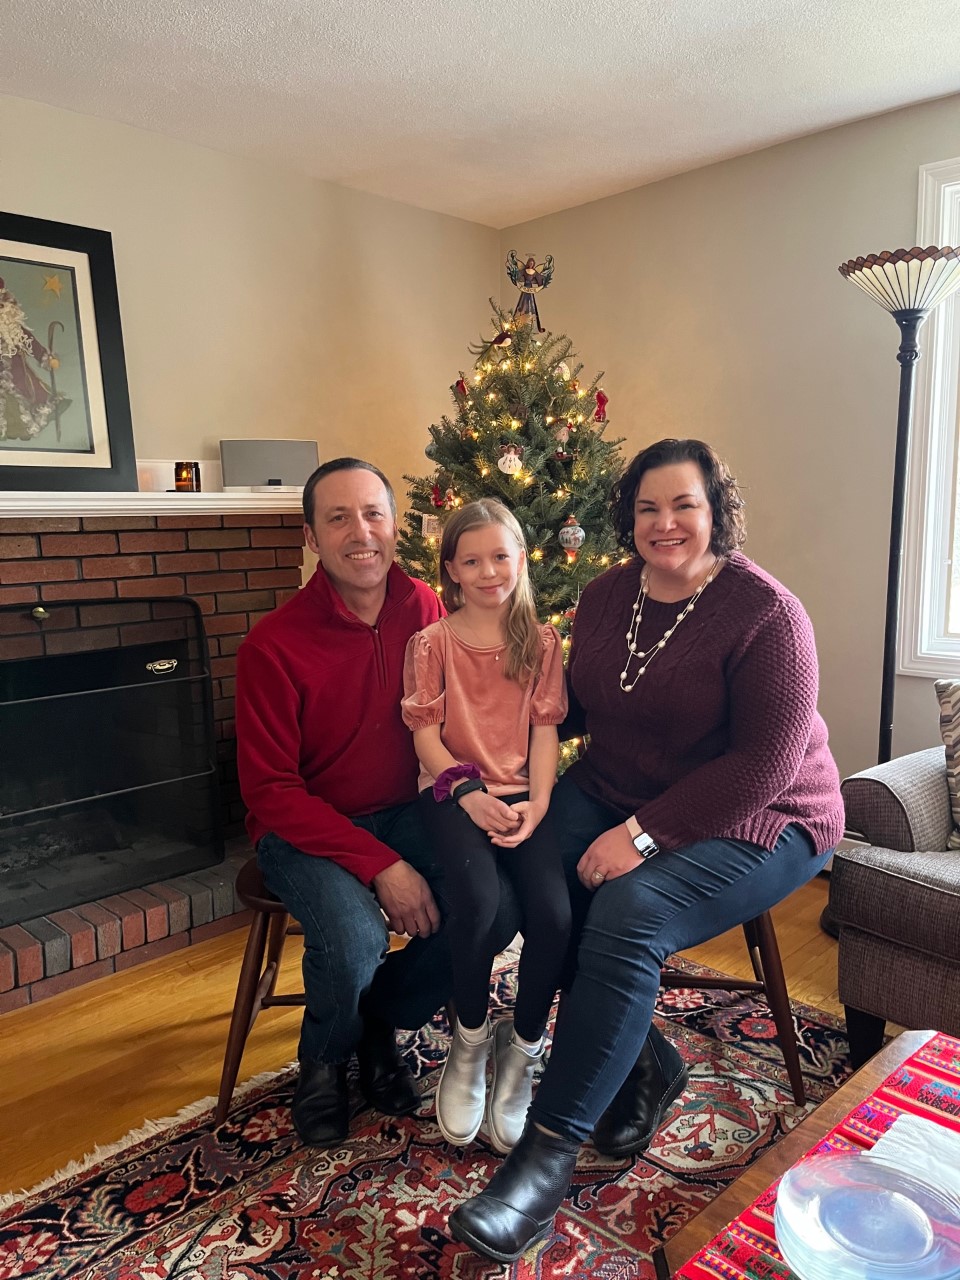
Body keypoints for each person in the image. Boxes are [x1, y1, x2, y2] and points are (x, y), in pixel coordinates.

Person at [448, 438, 845, 1263]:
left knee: (629, 910)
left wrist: (641, 836)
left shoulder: (768, 614)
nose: (665, 523)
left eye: (684, 505)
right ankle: (640, 1060)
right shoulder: (607, 595)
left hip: (765, 814)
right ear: (627, 517)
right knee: (533, 875)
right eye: (647, 508)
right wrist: (484, 743)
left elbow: (764, 764)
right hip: (619, 784)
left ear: (716, 511)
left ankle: (540, 1167)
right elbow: (575, 707)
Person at [236, 457, 518, 1148]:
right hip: (305, 827)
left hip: (412, 809)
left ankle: (379, 1024)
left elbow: (459, 718)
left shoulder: (426, 607)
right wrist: (382, 866)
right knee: (355, 938)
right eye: (338, 518)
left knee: (495, 904)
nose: (360, 533)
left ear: (395, 526)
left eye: (373, 514)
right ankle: (324, 1060)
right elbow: (271, 791)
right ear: (311, 537)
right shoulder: (272, 645)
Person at [402, 500, 571, 1154]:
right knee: (478, 901)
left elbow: (545, 729)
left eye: (500, 556)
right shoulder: (432, 644)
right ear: (451, 569)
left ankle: (524, 1047)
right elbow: (424, 735)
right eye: (471, 561)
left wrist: (540, 803)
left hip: (525, 794)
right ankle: (469, 1040)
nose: (488, 571)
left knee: (553, 915)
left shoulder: (542, 642)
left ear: (520, 559)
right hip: (452, 791)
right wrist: (468, 793)